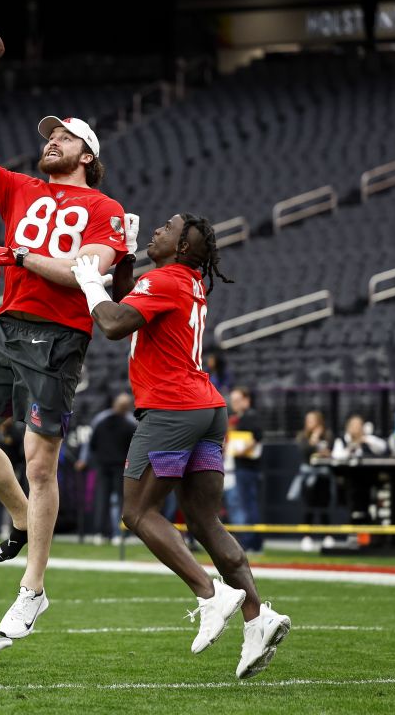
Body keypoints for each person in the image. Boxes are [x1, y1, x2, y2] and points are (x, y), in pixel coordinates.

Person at [0, 52, 137, 639]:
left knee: (39, 461)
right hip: (7, 325)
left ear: (89, 156)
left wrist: (22, 256)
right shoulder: (22, 188)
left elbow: (89, 271)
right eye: (50, 135)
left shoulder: (107, 210)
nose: (52, 141)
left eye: (66, 136)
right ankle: (23, 516)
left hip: (57, 337)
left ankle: (33, 589)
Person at [72, 213, 291, 679]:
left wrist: (91, 283)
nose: (158, 230)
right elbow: (131, 302)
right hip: (207, 408)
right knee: (205, 520)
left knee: (137, 512)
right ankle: (257, 617)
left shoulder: (167, 280)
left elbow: (113, 324)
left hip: (172, 409)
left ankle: (210, 594)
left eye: (168, 229)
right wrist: (127, 255)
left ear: (184, 247)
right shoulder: (186, 280)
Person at [76, 393, 137, 545]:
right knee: (119, 500)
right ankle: (117, 534)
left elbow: (92, 444)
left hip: (104, 466)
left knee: (102, 500)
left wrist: (88, 459)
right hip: (119, 467)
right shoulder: (130, 424)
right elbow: (133, 448)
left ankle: (101, 533)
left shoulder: (101, 420)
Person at [225, 387, 265, 553]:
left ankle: (252, 542)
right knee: (247, 505)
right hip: (242, 467)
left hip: (247, 467)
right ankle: (252, 542)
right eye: (233, 401)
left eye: (238, 400)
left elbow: (258, 435)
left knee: (248, 506)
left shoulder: (250, 416)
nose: (234, 404)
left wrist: (242, 449)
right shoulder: (240, 418)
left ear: (246, 400)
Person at [333, 414, 390, 526]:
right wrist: (351, 447)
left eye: (359, 426)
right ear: (348, 427)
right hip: (349, 482)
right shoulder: (342, 440)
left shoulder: (368, 439)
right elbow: (337, 456)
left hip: (369, 481)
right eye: (354, 426)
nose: (356, 428)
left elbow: (383, 447)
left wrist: (365, 439)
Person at [293, 410, 335, 551]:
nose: (309, 423)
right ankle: (307, 536)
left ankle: (328, 536)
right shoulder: (302, 436)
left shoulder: (328, 435)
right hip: (308, 475)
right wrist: (314, 439)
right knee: (308, 506)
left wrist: (325, 451)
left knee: (324, 505)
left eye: (312, 420)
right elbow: (305, 451)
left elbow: (330, 451)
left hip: (323, 474)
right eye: (308, 420)